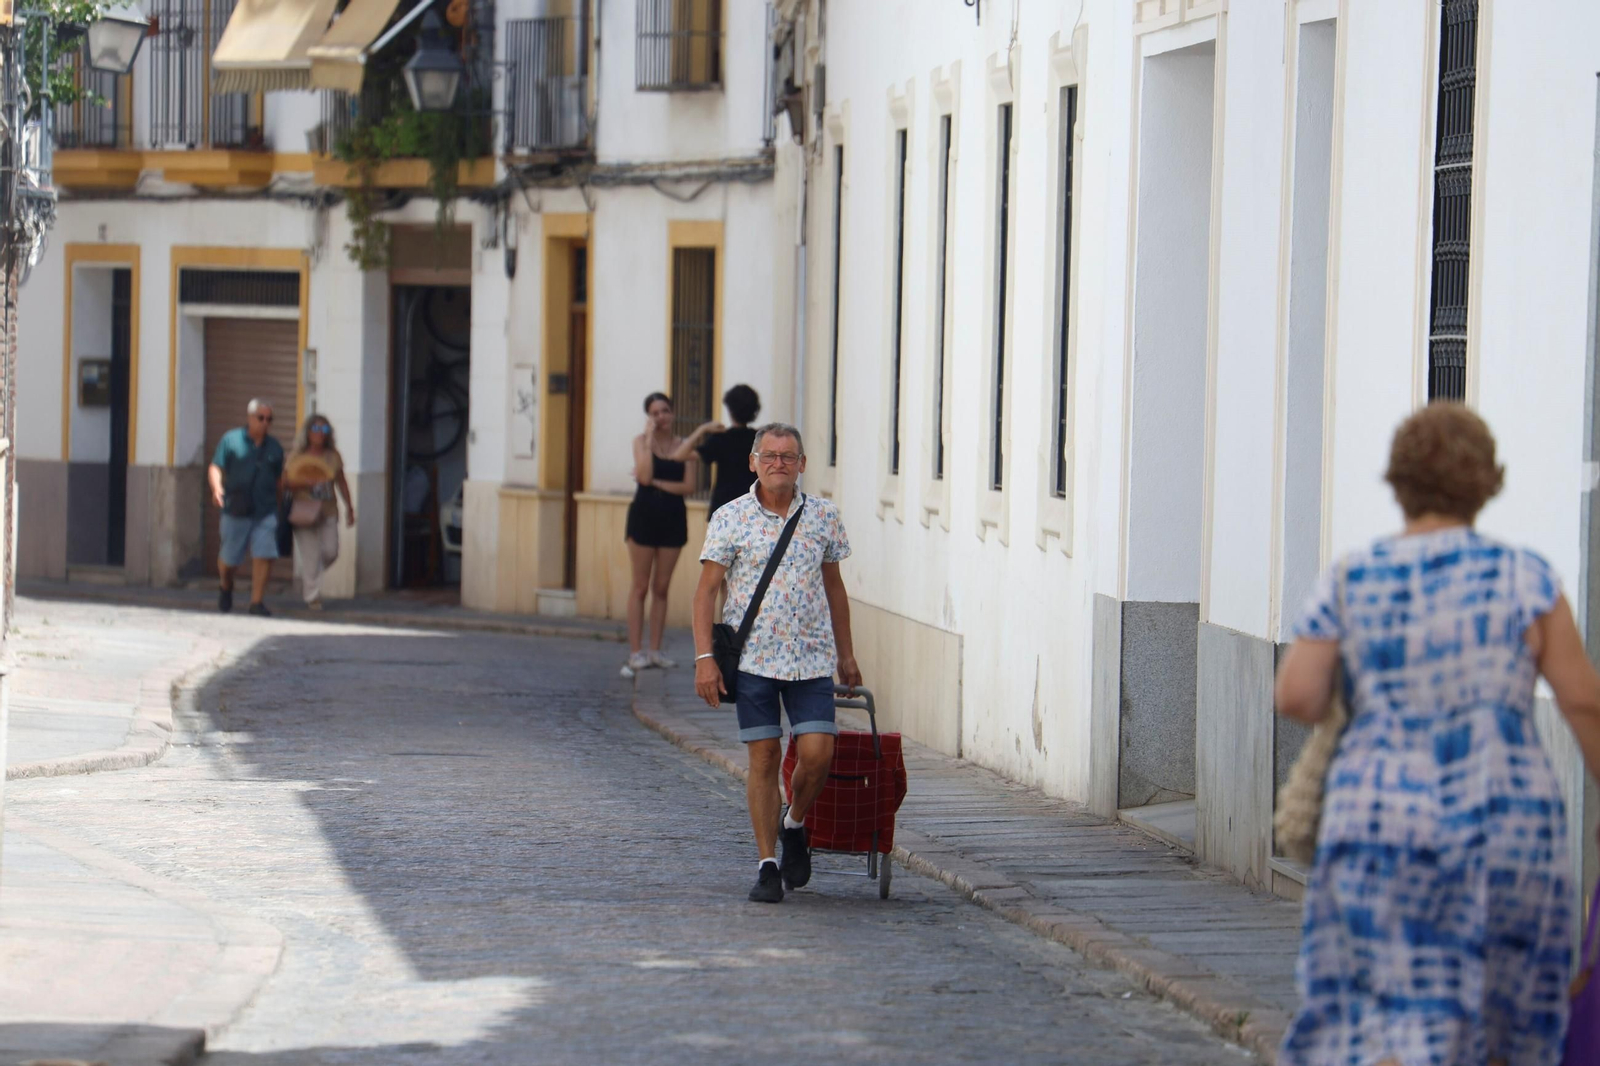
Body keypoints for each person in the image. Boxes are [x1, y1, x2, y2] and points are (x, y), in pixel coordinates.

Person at [1275, 402, 1600, 1066]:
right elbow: (1583, 702)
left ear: (1399, 485)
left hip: (1380, 817)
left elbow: (1297, 694)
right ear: (1487, 482)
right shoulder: (1526, 578)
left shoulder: (1353, 575)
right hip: (1504, 819)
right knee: (1501, 1004)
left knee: (1385, 1006)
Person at [692, 422, 863, 904]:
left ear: (802, 465)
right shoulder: (730, 518)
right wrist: (705, 659)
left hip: (810, 658)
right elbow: (705, 593)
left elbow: (835, 588)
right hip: (752, 661)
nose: (778, 464)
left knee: (818, 753)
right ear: (753, 462)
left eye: (788, 457)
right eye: (769, 455)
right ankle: (767, 865)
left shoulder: (824, 517)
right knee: (764, 757)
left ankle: (795, 823)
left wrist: (846, 655)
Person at [623, 392, 698, 678]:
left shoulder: (684, 445)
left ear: (673, 412)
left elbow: (688, 486)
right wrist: (647, 439)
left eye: (665, 411)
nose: (661, 417)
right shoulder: (640, 443)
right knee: (640, 585)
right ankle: (635, 652)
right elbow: (642, 476)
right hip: (643, 516)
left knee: (662, 587)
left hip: (672, 518)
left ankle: (655, 650)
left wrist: (656, 481)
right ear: (648, 417)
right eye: (654, 413)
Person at [209, 397, 286, 616]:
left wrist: (279, 507)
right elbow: (215, 466)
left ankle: (256, 601)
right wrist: (217, 489)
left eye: (269, 419)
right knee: (229, 559)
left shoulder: (275, 448)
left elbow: (279, 480)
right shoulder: (231, 440)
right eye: (261, 418)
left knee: (264, 554)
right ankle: (226, 585)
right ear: (250, 418)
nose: (265, 423)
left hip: (265, 509)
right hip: (236, 508)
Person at [284, 415, 355, 610]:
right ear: (308, 432)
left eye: (324, 430)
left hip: (328, 509)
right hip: (303, 510)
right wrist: (307, 482)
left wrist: (349, 507)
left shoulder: (334, 456)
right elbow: (286, 482)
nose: (320, 434)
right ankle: (312, 597)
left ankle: (311, 577)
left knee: (331, 551)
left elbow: (341, 481)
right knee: (310, 554)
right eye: (316, 429)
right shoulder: (296, 457)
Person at [672, 384, 761, 518]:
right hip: (753, 507)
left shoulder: (721, 439)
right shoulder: (759, 439)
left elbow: (678, 456)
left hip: (723, 508)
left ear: (730, 410)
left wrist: (702, 429)